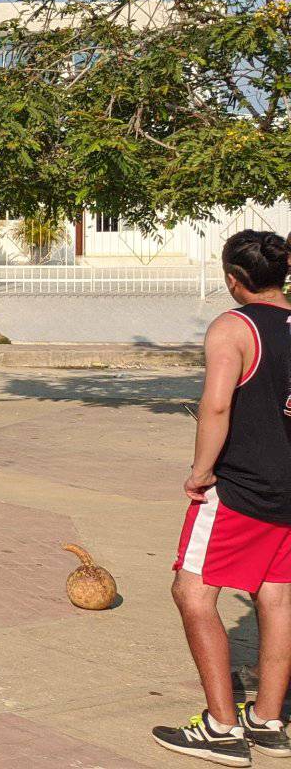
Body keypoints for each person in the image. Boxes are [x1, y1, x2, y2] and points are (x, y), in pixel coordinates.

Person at [155, 230, 291, 764]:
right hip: (288, 492)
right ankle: (269, 721)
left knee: (192, 593)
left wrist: (200, 472)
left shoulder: (231, 329)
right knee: (277, 597)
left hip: (240, 488)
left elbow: (215, 409)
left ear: (234, 279)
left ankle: (221, 727)